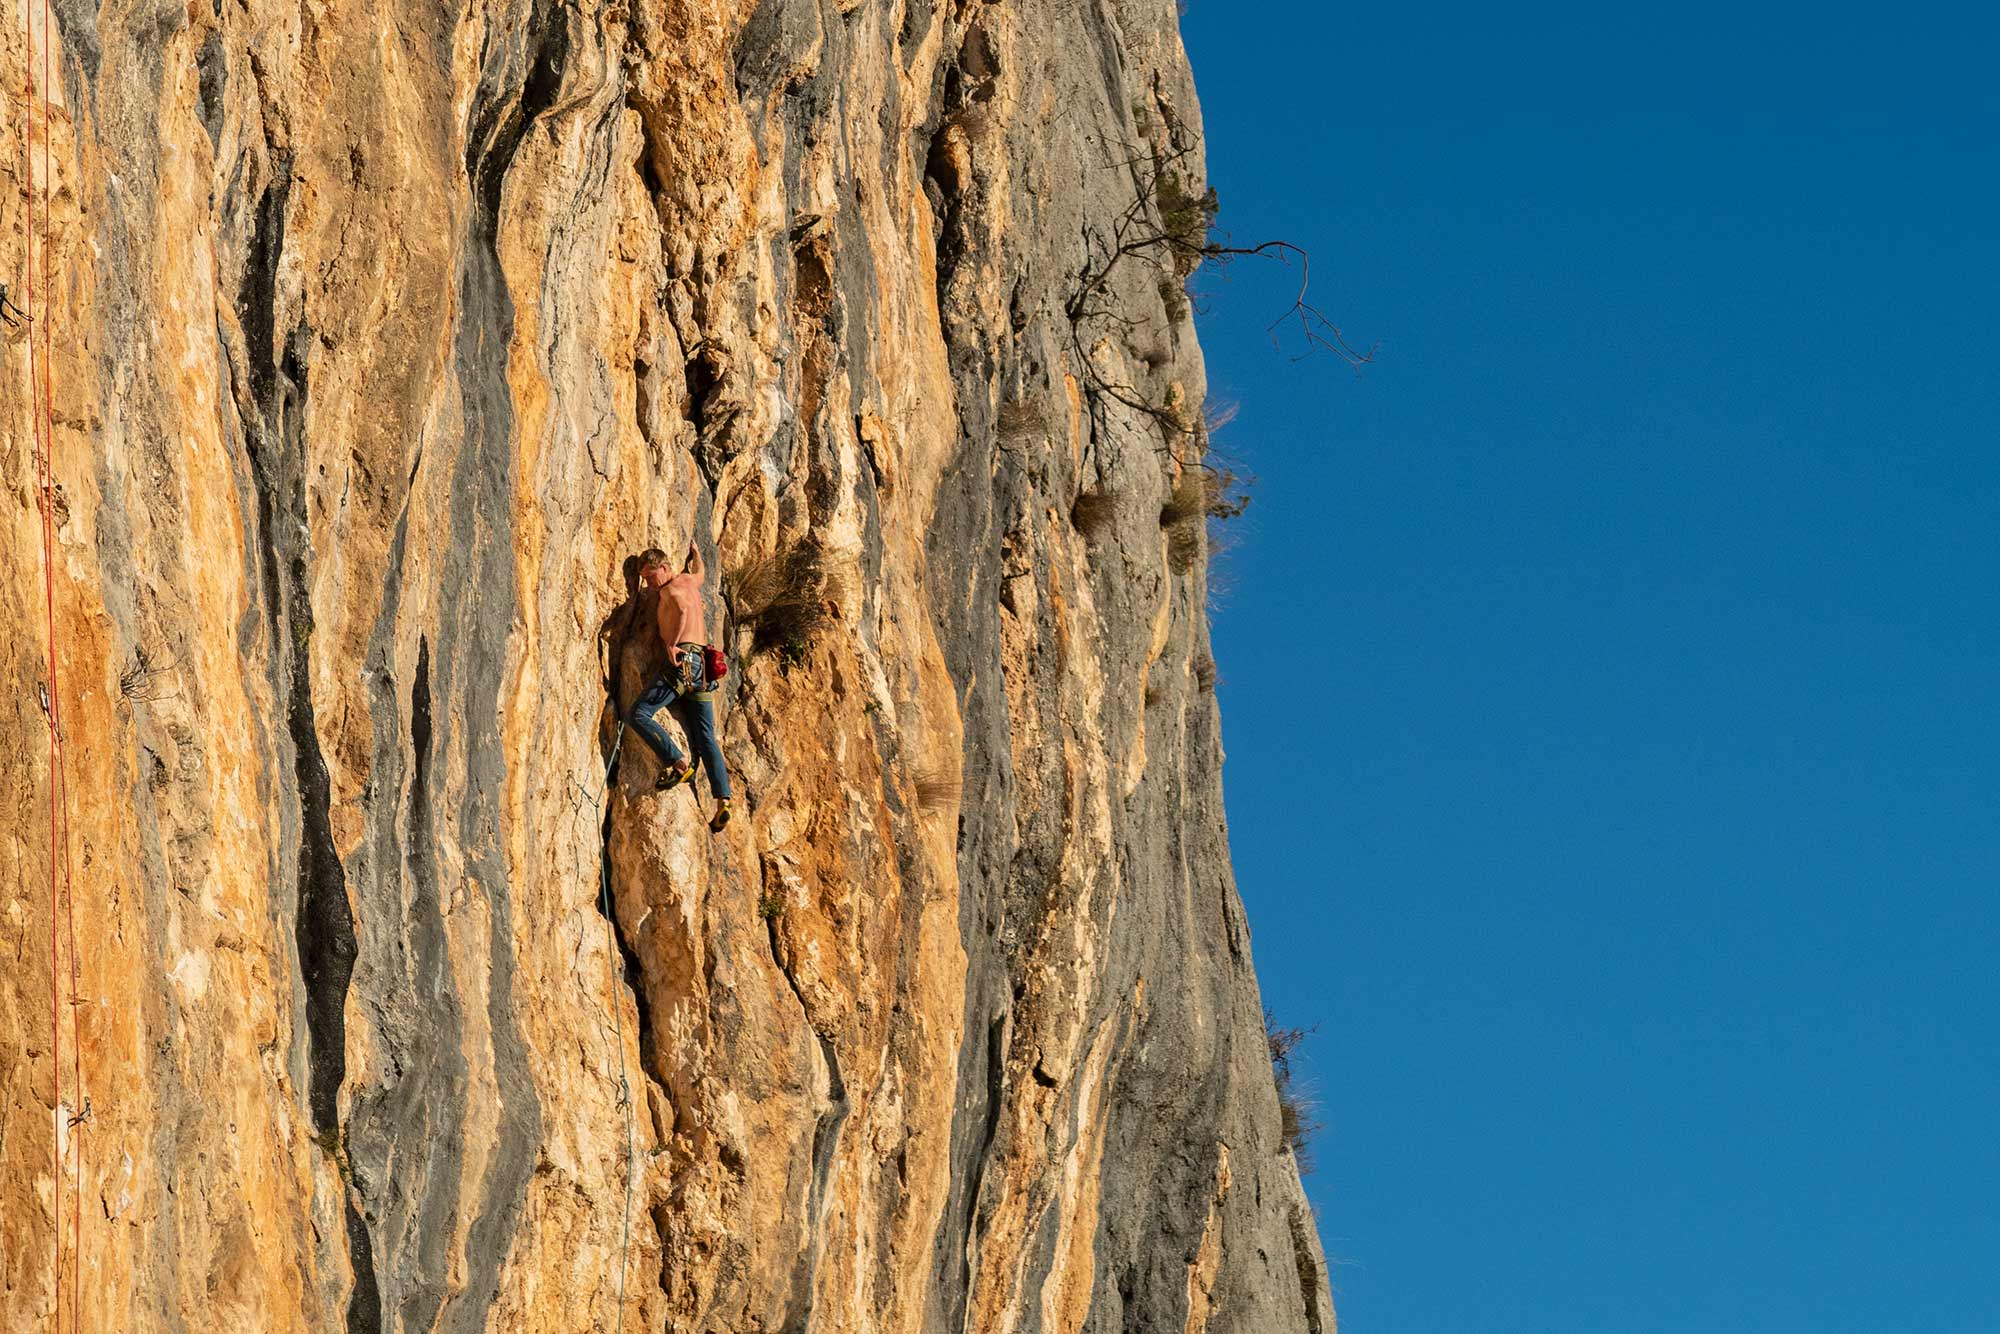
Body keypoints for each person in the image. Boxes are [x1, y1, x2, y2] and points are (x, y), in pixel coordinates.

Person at [628, 543, 732, 830]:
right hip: (702, 667)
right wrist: (697, 555)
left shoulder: (671, 591)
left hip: (684, 659)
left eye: (651, 577)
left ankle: (679, 764)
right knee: (706, 736)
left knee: (639, 714)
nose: (648, 584)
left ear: (663, 568)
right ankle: (724, 800)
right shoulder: (687, 581)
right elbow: (701, 573)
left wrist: (672, 644)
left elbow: (684, 611)